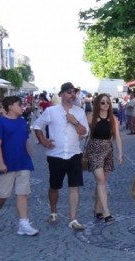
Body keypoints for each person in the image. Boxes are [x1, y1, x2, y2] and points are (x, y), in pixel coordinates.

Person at [33, 82, 89, 231]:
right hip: (55, 155)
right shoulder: (51, 111)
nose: (72, 95)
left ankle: (73, 219)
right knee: (54, 186)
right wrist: (43, 141)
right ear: (61, 94)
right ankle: (53, 211)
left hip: (74, 154)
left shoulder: (79, 112)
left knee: (74, 187)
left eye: (74, 93)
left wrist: (74, 122)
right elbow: (37, 126)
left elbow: (84, 132)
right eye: (69, 92)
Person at [0, 96, 38, 236]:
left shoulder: (22, 122)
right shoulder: (0, 123)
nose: (22, 107)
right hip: (7, 163)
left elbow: (25, 139)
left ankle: (24, 223)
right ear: (10, 106)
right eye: (19, 104)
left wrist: (28, 152)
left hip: (23, 162)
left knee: (23, 193)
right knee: (2, 195)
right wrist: (1, 162)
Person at [87, 93, 123, 224]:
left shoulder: (114, 119)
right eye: (102, 102)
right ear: (97, 104)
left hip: (108, 149)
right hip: (94, 149)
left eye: (108, 102)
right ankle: (106, 212)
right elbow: (84, 132)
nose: (106, 105)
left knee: (101, 181)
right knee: (101, 180)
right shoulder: (91, 117)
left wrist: (120, 153)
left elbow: (117, 137)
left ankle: (97, 208)